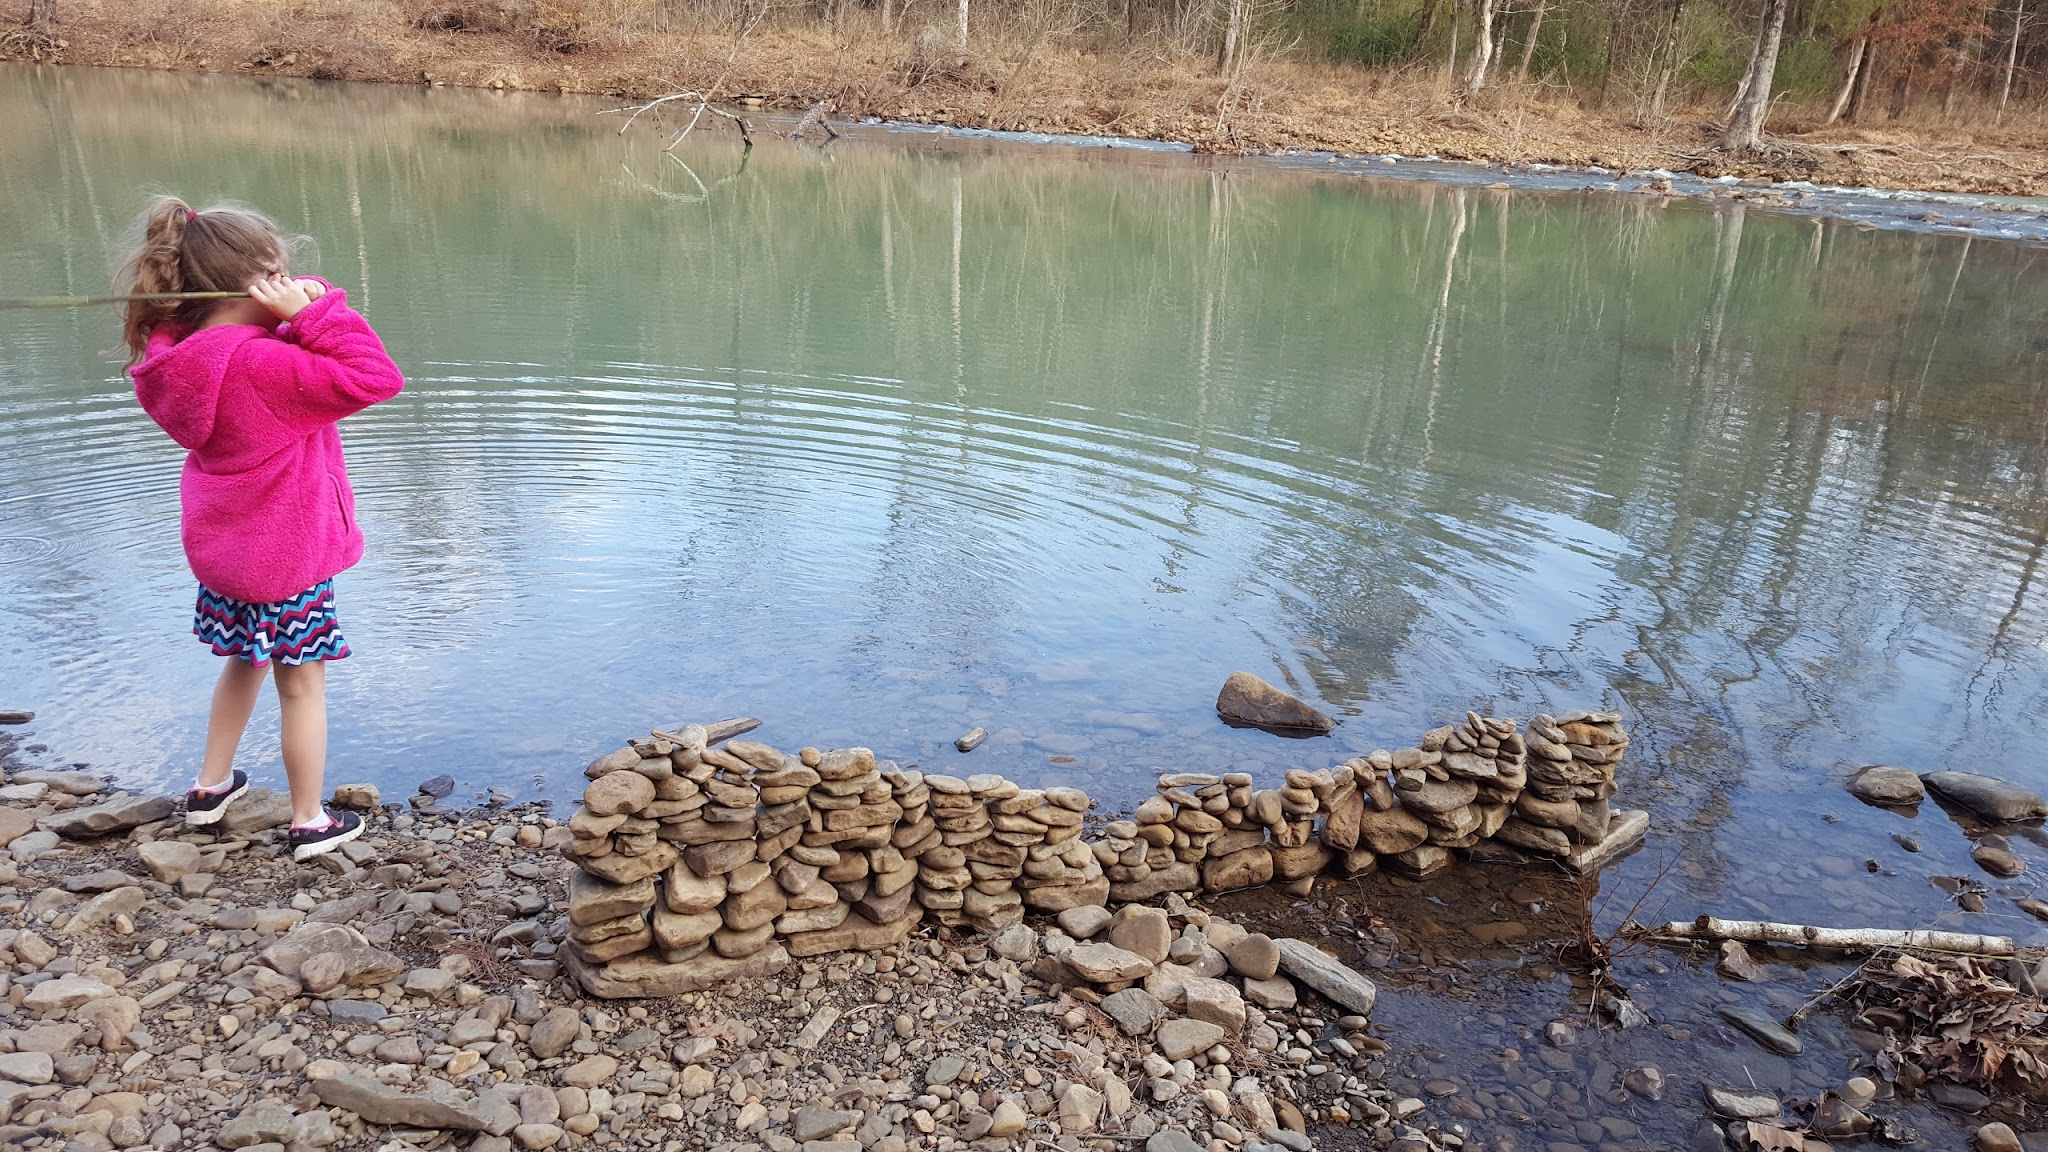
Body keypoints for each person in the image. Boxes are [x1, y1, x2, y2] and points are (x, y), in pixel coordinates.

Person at [119, 196, 404, 861]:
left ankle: (208, 787)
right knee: (300, 685)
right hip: (286, 559)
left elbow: (240, 346)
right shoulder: (266, 368)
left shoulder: (184, 357)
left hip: (229, 554)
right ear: (263, 279)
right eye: (284, 268)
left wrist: (298, 314)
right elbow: (374, 376)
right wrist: (317, 312)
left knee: (243, 658)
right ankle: (309, 821)